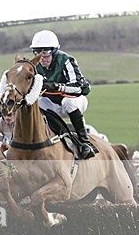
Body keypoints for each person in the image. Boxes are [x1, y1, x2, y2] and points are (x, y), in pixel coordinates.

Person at [30, 30, 96, 159]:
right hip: (53, 105)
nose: (41, 57)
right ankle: (53, 137)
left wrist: (57, 86)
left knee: (68, 102)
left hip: (75, 101)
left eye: (46, 52)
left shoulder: (66, 60)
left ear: (54, 51)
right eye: (37, 52)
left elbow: (81, 88)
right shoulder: (35, 66)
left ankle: (85, 142)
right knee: (38, 103)